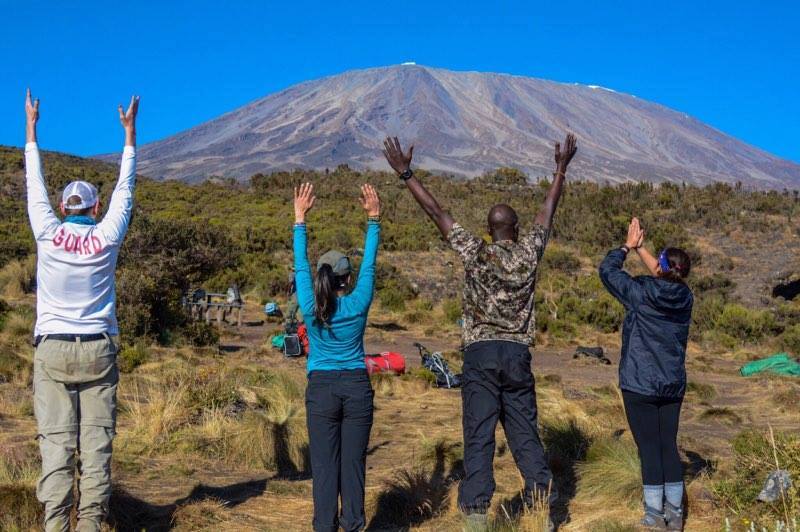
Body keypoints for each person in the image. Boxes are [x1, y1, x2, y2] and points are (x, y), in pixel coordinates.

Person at [382, 134, 577, 527]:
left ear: (489, 230)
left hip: (481, 355)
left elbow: (437, 212)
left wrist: (406, 173)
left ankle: (475, 517)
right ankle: (543, 512)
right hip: (517, 356)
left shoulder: (475, 251)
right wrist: (559, 169)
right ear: (516, 229)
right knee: (525, 434)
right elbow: (548, 210)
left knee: (479, 434)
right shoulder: (529, 252)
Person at [24, 89, 139, 532]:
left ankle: (55, 526)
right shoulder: (107, 236)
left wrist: (31, 128)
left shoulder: (46, 233)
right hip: (98, 351)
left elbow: (34, 182)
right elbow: (125, 191)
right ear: (94, 207)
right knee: (96, 450)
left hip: (52, 351)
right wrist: (129, 135)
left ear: (62, 208)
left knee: (55, 447)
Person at [293, 182, 381, 532]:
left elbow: (300, 266)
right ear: (347, 278)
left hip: (321, 390)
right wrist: (373, 218)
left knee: (325, 467)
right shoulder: (358, 302)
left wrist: (300, 220)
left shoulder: (311, 304)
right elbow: (371, 264)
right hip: (357, 388)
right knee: (353, 465)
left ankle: (324, 527)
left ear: (322, 278)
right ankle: (354, 525)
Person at [599, 218, 693, 531]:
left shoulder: (640, 292)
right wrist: (643, 250)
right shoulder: (686, 298)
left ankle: (654, 515)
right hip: (672, 384)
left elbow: (607, 272)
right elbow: (666, 273)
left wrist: (626, 247)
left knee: (649, 448)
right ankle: (675, 514)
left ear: (661, 267)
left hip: (639, 383)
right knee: (668, 444)